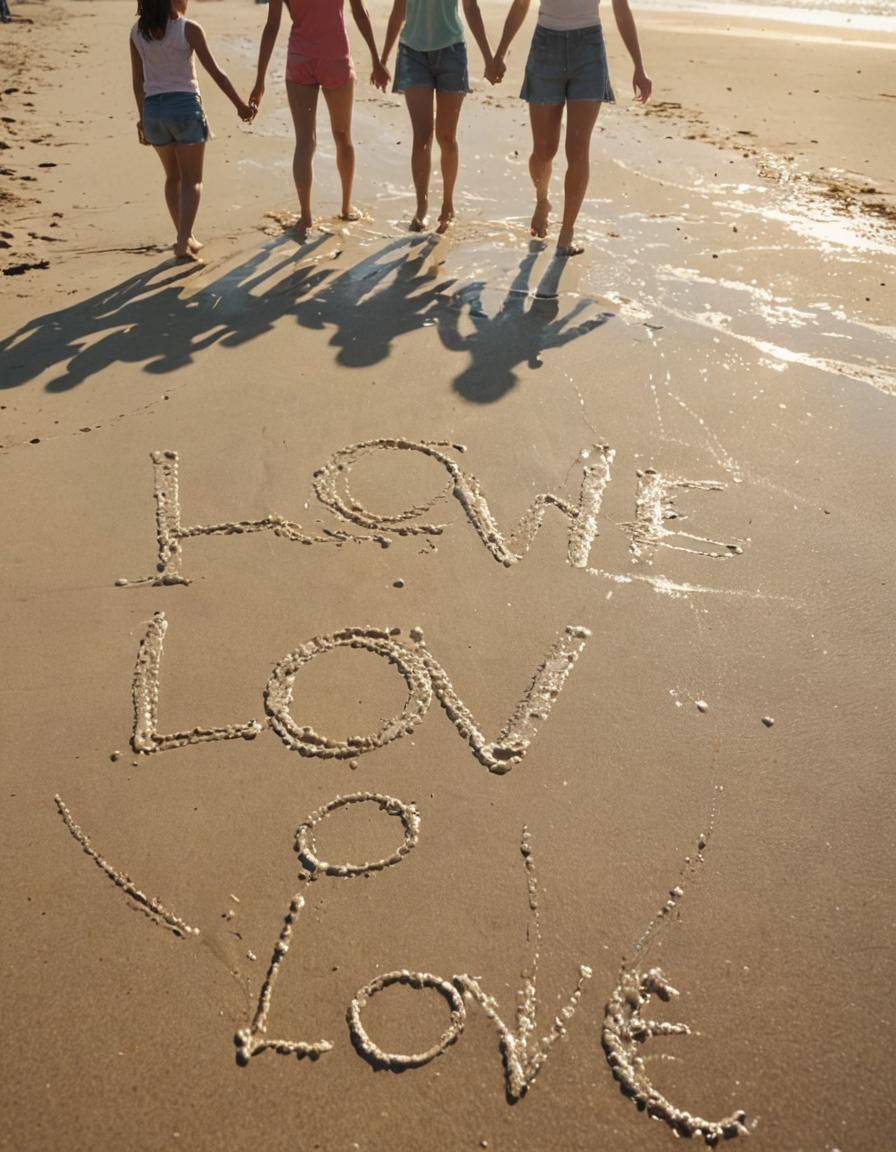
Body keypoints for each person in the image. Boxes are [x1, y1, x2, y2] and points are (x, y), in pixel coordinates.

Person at [488, 0, 651, 256]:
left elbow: (621, 8)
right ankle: (542, 201)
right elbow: (521, 4)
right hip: (546, 46)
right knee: (543, 150)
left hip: (589, 50)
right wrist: (499, 54)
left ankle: (566, 233)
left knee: (578, 148)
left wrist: (639, 66)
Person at [250, 0, 389, 238]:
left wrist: (260, 79)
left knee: (304, 142)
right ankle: (346, 207)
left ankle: (305, 217)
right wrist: (377, 60)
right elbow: (359, 12)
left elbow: (272, 25)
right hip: (335, 57)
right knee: (343, 135)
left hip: (300, 59)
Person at [130, 0, 255, 263]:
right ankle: (182, 243)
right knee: (192, 180)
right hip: (185, 109)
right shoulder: (188, 29)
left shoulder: (137, 32)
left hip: (154, 111)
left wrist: (143, 119)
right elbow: (216, 73)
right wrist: (240, 105)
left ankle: (185, 236)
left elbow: (138, 81)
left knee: (172, 177)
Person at [379, 0, 496, 233]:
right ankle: (421, 207)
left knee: (446, 136)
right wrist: (382, 60)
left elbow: (471, 7)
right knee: (422, 137)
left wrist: (488, 57)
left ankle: (448, 204)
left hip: (452, 51)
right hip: (412, 53)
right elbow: (398, 10)